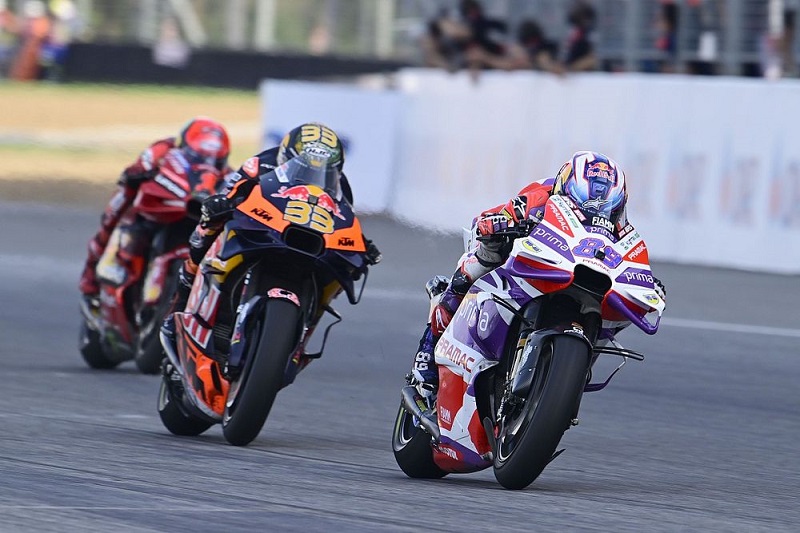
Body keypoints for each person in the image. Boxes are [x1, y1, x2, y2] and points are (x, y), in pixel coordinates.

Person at [410, 151, 666, 396]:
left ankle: (570, 377)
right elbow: (490, 218)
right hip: (525, 259)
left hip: (574, 271)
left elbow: (628, 255)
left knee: (618, 310)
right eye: (590, 195)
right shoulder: (540, 196)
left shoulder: (619, 227)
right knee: (477, 264)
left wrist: (646, 284)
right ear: (567, 185)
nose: (596, 205)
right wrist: (498, 225)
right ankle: (428, 353)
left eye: (605, 200)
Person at [160, 122, 382, 345]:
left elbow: (343, 218)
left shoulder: (341, 185)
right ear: (286, 156)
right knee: (208, 229)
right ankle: (177, 309)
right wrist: (221, 204)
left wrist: (361, 244)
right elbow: (229, 194)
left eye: (323, 171)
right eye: (305, 167)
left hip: (304, 239)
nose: (313, 175)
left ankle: (301, 334)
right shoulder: (259, 164)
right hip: (263, 226)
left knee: (343, 267)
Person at [78, 117, 232, 300]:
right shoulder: (163, 151)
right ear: (184, 147)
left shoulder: (229, 176)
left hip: (196, 225)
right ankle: (92, 277)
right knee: (114, 211)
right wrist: (138, 174)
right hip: (159, 209)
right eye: (199, 155)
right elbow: (134, 171)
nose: (208, 162)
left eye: (217, 160)